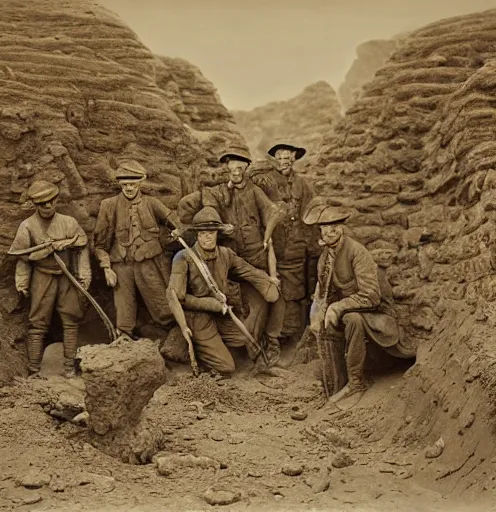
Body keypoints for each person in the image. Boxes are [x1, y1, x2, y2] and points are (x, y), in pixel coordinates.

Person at [177, 145, 284, 357]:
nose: (236, 172)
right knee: (229, 300)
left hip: (255, 258)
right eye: (232, 168)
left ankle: (270, 341)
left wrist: (266, 235)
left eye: (240, 168)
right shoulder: (218, 192)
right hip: (230, 258)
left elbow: (273, 212)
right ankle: (235, 345)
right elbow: (208, 210)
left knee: (271, 297)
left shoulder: (254, 191)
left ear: (246, 169)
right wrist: (219, 225)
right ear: (227, 168)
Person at [304, 201, 414, 403]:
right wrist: (319, 311)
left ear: (342, 228)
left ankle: (356, 382)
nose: (329, 233)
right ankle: (336, 384)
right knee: (323, 326)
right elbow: (324, 294)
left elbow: (371, 296)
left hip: (376, 312)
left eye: (334, 228)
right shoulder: (324, 259)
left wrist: (337, 307)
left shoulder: (357, 252)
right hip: (348, 310)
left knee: (353, 319)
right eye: (324, 229)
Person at [166, 206, 280, 375]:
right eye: (203, 233)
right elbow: (178, 298)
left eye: (211, 232)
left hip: (222, 314)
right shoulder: (183, 257)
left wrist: (268, 282)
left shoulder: (225, 254)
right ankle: (186, 344)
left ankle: (212, 343)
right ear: (197, 234)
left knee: (244, 338)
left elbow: (248, 270)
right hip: (198, 318)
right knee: (226, 367)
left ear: (217, 233)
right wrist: (211, 304)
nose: (207, 237)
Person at [8, 180, 91, 378]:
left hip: (66, 276)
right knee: (37, 322)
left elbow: (82, 245)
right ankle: (34, 369)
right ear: (35, 205)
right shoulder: (27, 226)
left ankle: (69, 367)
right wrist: (22, 282)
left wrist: (84, 275)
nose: (47, 207)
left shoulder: (68, 222)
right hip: (42, 277)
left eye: (50, 202)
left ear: (56, 201)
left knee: (71, 320)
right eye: (41, 204)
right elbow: (21, 256)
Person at [93, 160, 182, 338]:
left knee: (163, 307)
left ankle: (175, 338)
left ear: (140, 183)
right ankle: (125, 342)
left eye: (132, 184)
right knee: (124, 314)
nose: (128, 188)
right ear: (120, 184)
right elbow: (100, 244)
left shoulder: (152, 203)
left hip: (149, 263)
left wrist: (177, 231)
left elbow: (174, 222)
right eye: (125, 184)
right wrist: (107, 268)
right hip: (121, 265)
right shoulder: (108, 206)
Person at [250, 139, 318, 364]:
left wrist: (311, 242)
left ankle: (294, 338)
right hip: (274, 247)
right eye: (279, 158)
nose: (283, 162)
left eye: (288, 158)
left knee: (296, 292)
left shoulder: (303, 185)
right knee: (274, 290)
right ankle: (272, 339)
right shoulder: (267, 182)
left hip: (297, 246)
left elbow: (311, 211)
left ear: (294, 159)